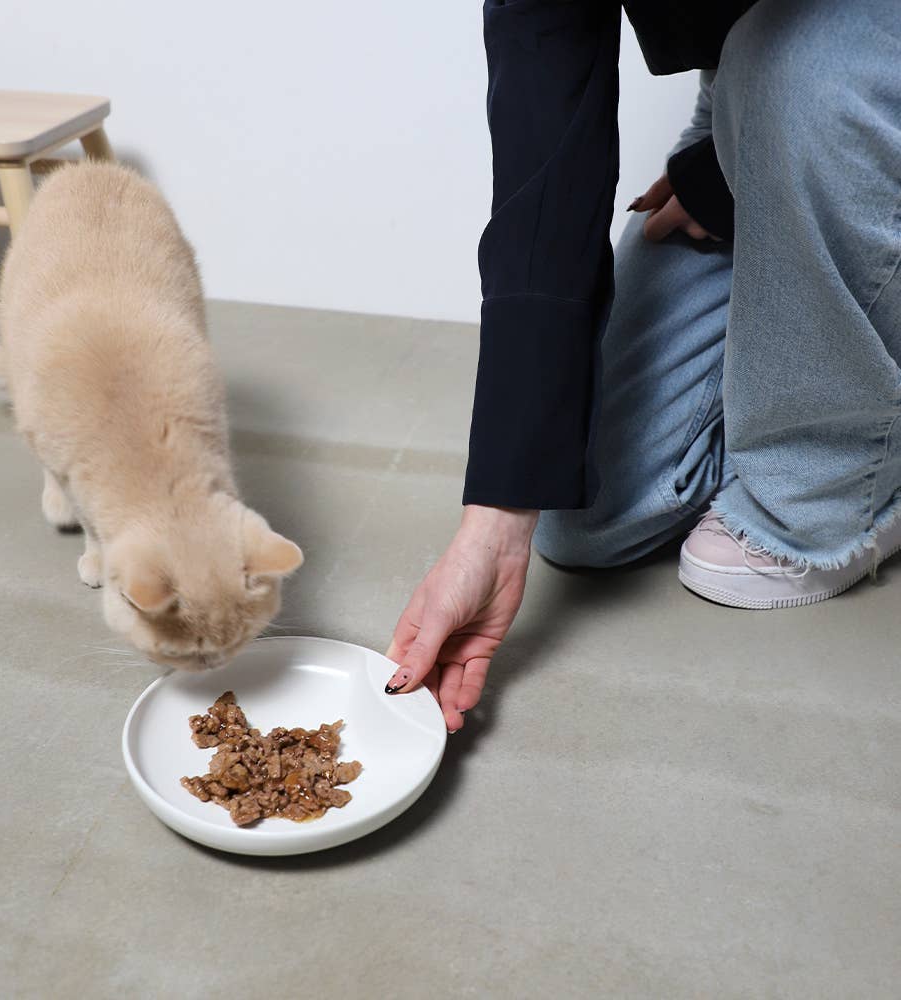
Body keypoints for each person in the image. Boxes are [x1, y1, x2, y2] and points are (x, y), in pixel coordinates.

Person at [385, 0, 901, 733]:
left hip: (847, 65)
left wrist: (792, 119)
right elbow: (547, 114)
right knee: (588, 515)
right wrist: (497, 520)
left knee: (801, 69)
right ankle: (808, 154)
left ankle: (853, 482)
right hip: (751, 86)